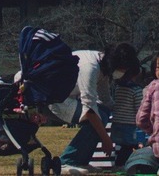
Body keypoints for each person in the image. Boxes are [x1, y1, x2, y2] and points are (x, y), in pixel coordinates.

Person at [54, 43, 140, 175]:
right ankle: (67, 161)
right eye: (123, 69)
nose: (123, 73)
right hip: (56, 100)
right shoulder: (90, 68)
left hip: (67, 97)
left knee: (103, 113)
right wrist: (106, 139)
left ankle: (81, 161)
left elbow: (105, 99)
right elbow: (89, 110)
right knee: (98, 117)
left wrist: (122, 109)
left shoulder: (103, 66)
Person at [110, 63, 145, 167]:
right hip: (129, 124)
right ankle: (122, 164)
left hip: (117, 123)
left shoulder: (117, 87)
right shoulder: (136, 90)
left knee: (120, 146)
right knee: (130, 146)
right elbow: (139, 109)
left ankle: (119, 163)